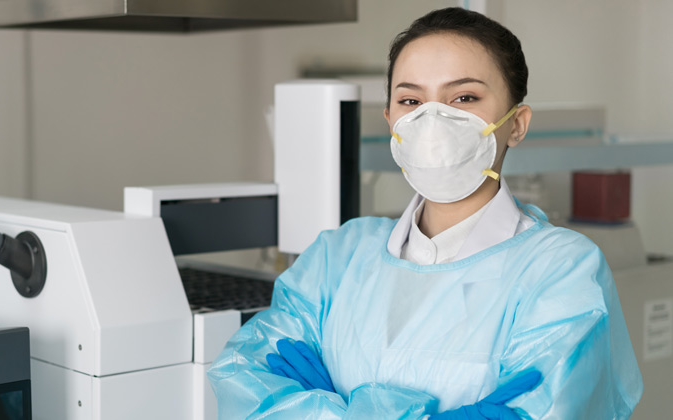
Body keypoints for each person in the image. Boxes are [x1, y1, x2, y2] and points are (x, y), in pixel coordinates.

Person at [208, 7, 643, 419]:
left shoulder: (561, 271)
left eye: (464, 97)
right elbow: (247, 384)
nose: (433, 121)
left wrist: (331, 404)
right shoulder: (338, 258)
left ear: (517, 123)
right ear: (390, 120)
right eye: (412, 102)